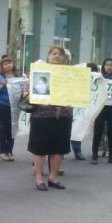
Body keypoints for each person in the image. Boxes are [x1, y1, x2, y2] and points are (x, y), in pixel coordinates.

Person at [29, 46, 73, 191]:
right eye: (53, 54)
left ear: (64, 59)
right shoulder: (39, 71)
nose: (56, 56)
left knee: (58, 148)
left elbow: (78, 91)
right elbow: (28, 89)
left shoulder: (71, 74)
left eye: (60, 54)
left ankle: (53, 177)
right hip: (42, 115)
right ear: (48, 57)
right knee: (39, 148)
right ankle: (39, 178)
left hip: (63, 115)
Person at [91, 58, 112, 165]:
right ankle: (94, 154)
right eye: (107, 65)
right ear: (103, 67)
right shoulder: (99, 78)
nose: (109, 67)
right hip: (101, 107)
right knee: (98, 131)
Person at [0, 56, 17, 161]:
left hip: (14, 107)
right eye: (5, 64)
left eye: (10, 62)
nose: (8, 65)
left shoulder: (16, 76)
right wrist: (1, 85)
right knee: (4, 127)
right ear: (2, 66)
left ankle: (10, 151)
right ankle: (3, 151)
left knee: (12, 128)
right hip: (3, 105)